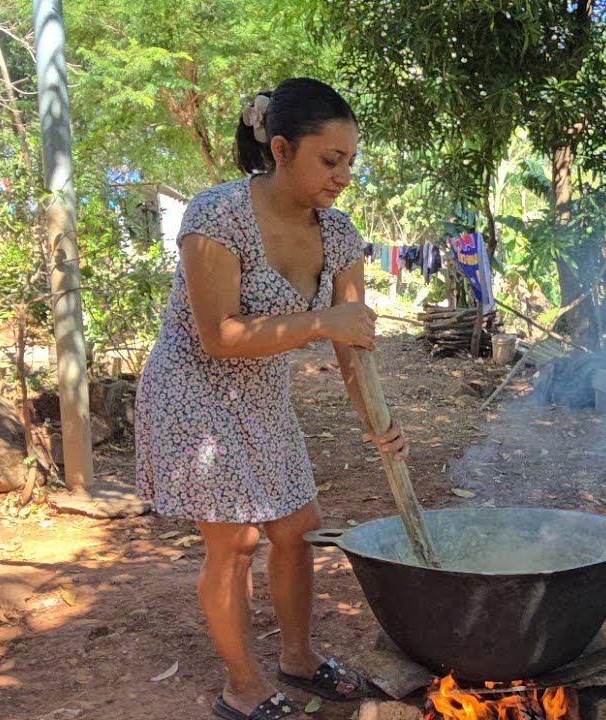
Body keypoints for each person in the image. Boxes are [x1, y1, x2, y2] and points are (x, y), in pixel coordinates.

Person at [134, 78, 407, 720]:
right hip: (192, 390)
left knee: (299, 530)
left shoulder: (338, 235)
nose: (343, 175)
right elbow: (220, 336)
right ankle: (243, 687)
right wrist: (318, 324)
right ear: (281, 150)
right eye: (329, 160)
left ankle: (299, 658)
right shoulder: (216, 216)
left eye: (350, 161)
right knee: (236, 543)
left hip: (262, 392)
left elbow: (352, 349)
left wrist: (380, 425)